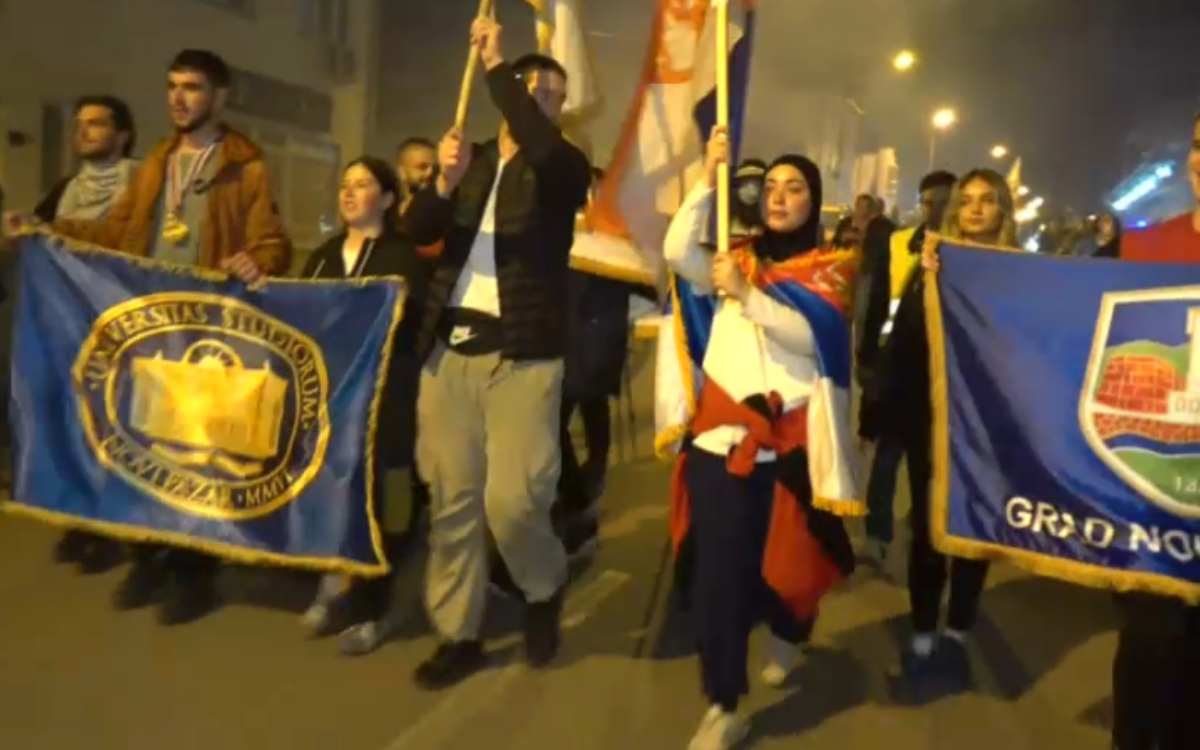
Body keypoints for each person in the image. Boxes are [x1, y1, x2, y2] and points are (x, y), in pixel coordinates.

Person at [5, 49, 291, 626]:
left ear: (219, 96)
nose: (178, 98)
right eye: (172, 86)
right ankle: (147, 556)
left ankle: (192, 572)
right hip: (151, 327)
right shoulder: (157, 161)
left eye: (192, 87)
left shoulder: (246, 166)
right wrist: (47, 226)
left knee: (199, 458)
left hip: (206, 331)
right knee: (142, 444)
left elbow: (272, 241)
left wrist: (258, 258)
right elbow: (118, 231)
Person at [402, 16, 591, 690]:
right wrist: (442, 185)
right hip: (448, 353)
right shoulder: (472, 158)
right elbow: (416, 231)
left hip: (524, 356)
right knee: (452, 501)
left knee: (514, 501)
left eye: (550, 95)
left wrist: (496, 66)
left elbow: (538, 142)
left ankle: (542, 587)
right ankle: (459, 633)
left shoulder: (563, 169)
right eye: (530, 89)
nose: (537, 100)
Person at [663, 126, 859, 750]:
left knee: (791, 572)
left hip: (792, 452)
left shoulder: (832, 268)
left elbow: (811, 339)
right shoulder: (734, 257)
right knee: (718, 579)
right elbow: (676, 251)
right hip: (720, 448)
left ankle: (789, 630)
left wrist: (747, 295)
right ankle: (723, 703)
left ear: (814, 200)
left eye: (794, 187)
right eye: (771, 185)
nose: (778, 196)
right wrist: (706, 177)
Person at [885, 168, 1018, 694]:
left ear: (1004, 210)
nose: (976, 209)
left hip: (989, 428)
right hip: (933, 421)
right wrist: (927, 283)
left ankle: (958, 633)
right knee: (927, 530)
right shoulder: (932, 266)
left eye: (988, 200)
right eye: (967, 201)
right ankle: (922, 635)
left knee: (973, 532)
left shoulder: (1021, 274)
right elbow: (905, 342)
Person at [297, 156, 431, 656]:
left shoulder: (403, 258)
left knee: (379, 504)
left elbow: (410, 325)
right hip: (331, 397)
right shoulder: (322, 257)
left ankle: (374, 607)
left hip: (383, 399)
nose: (349, 192)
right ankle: (332, 582)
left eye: (363, 184)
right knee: (330, 493)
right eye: (345, 184)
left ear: (388, 198)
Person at [32, 94, 139, 575]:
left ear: (123, 134)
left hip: (120, 323)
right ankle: (81, 520)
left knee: (116, 423)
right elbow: (41, 233)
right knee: (76, 422)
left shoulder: (141, 185)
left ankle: (113, 528)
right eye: (80, 124)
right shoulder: (67, 189)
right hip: (71, 323)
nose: (84, 132)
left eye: (96, 123)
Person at [857, 171, 956, 564]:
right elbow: (879, 302)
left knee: (931, 462)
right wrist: (868, 359)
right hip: (897, 365)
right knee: (887, 454)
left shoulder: (966, 252)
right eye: (929, 202)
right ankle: (876, 533)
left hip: (944, 374)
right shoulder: (900, 242)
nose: (935, 210)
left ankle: (925, 528)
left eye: (944, 202)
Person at [395, 137, 437, 216]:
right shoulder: (386, 216)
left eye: (434, 168)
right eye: (422, 167)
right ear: (402, 172)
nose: (430, 173)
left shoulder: (446, 214)